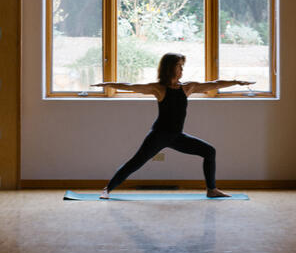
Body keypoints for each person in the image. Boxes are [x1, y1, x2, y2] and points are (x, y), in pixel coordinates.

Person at [91, 52, 253, 200]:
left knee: (209, 151)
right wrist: (109, 84)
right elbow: (131, 86)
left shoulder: (188, 87)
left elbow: (215, 84)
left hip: (177, 136)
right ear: (169, 68)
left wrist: (236, 82)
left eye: (183, 66)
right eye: (179, 66)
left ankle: (212, 189)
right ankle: (107, 189)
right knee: (135, 163)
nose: (182, 69)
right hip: (159, 135)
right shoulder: (159, 88)